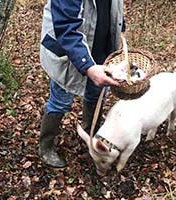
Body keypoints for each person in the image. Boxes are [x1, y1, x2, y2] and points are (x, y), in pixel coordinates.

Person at [39, 0, 126, 168]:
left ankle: (88, 135)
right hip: (67, 53)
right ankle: (46, 146)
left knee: (97, 95)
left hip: (101, 50)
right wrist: (88, 66)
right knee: (60, 101)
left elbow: (114, 7)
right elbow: (66, 27)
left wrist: (120, 27)